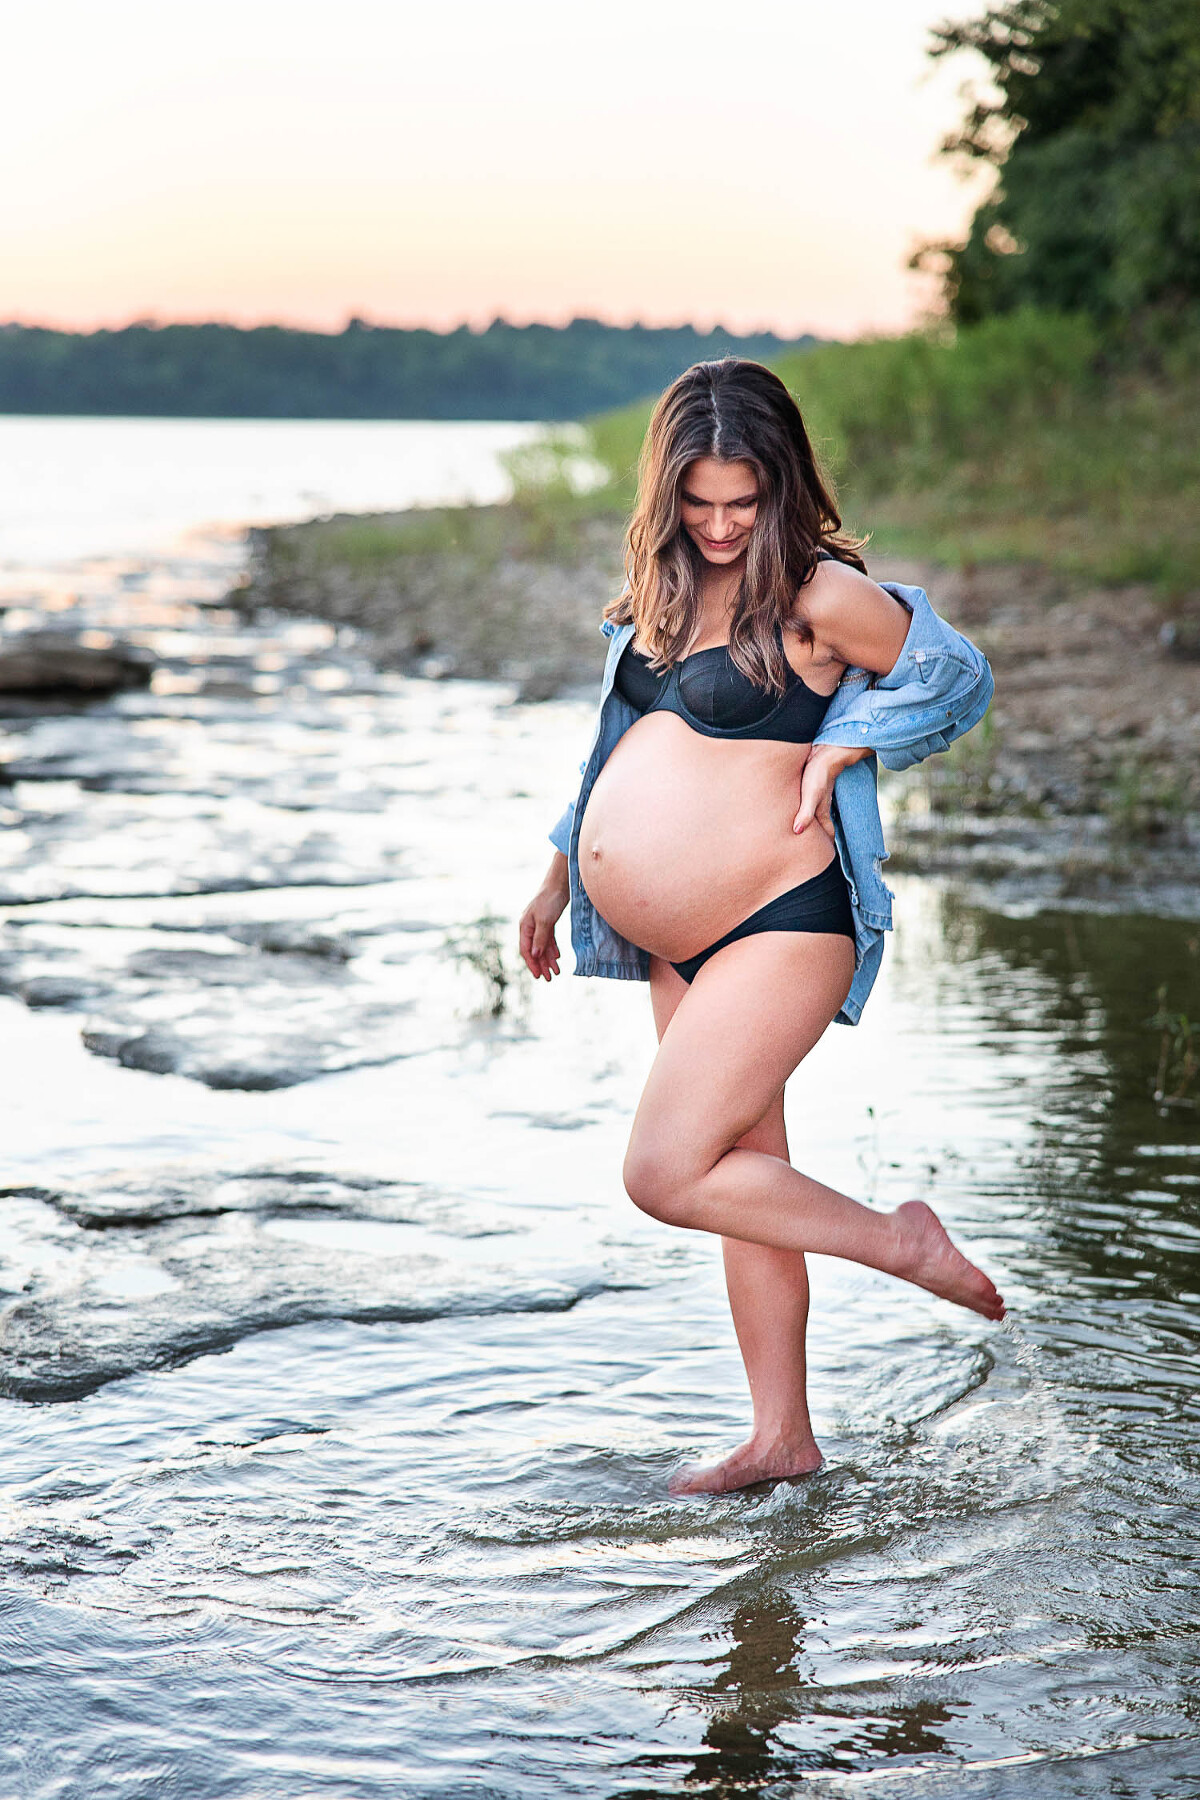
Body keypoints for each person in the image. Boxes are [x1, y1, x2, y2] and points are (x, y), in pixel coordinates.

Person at [518, 358, 1003, 1496]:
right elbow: (609, 757)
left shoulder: (818, 592)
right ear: (668, 494)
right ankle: (782, 1433)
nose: (726, 525)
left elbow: (958, 675)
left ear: (782, 486)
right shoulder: (663, 596)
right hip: (674, 941)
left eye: (745, 501)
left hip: (783, 915)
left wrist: (851, 736)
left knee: (665, 1169)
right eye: (701, 503)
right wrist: (554, 876)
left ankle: (902, 1243)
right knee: (745, 1171)